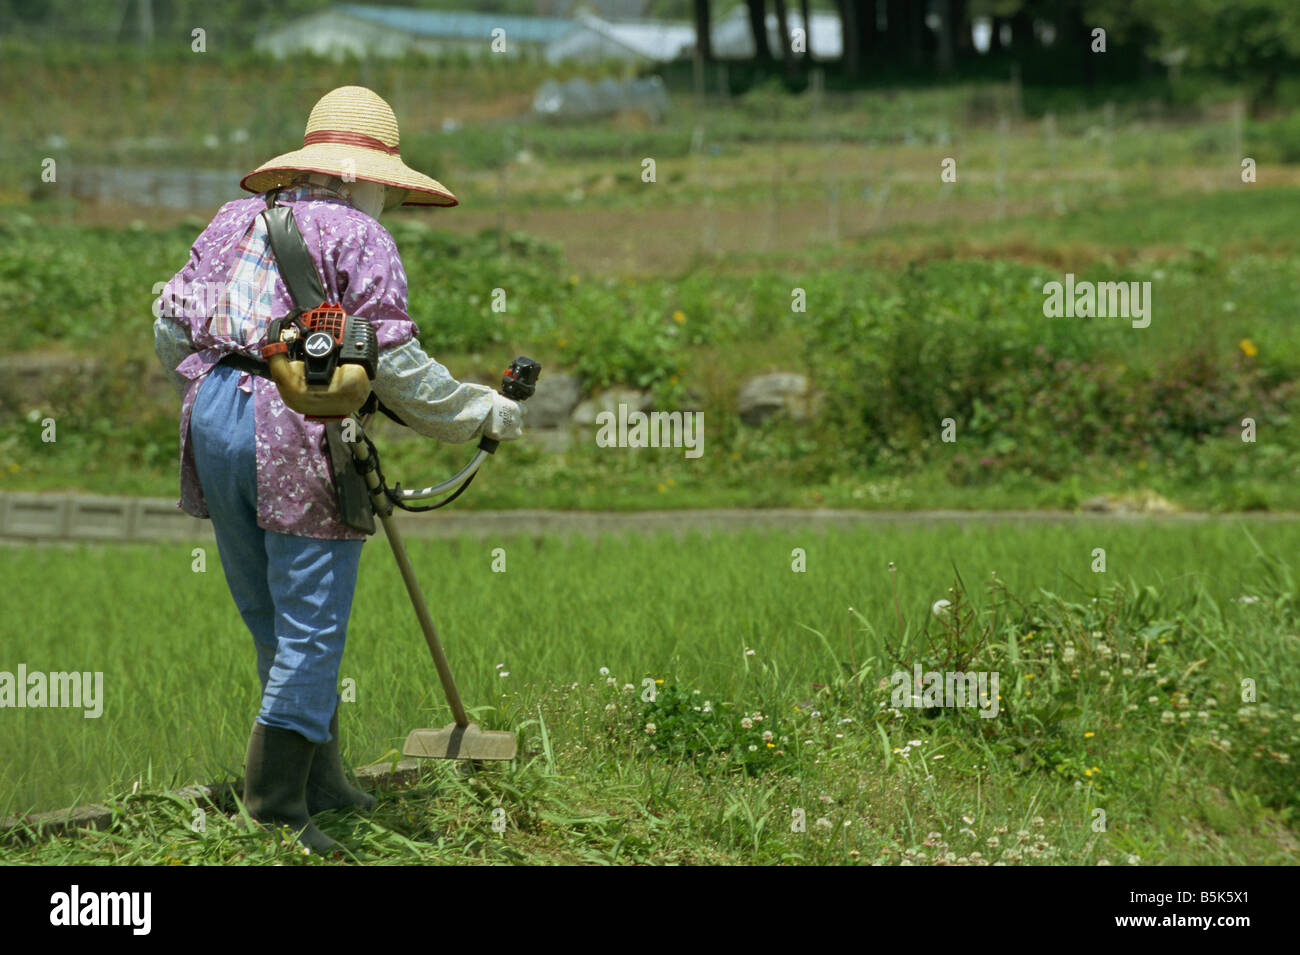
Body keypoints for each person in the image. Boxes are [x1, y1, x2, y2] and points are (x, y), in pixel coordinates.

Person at [152, 86, 524, 854]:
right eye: (384, 186)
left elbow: (169, 324)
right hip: (296, 424)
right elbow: (390, 361)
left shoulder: (232, 218)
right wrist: (478, 412)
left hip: (213, 409)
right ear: (363, 178)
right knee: (313, 626)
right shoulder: (359, 236)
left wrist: (229, 381)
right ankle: (279, 811)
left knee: (271, 617)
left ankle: (322, 780)